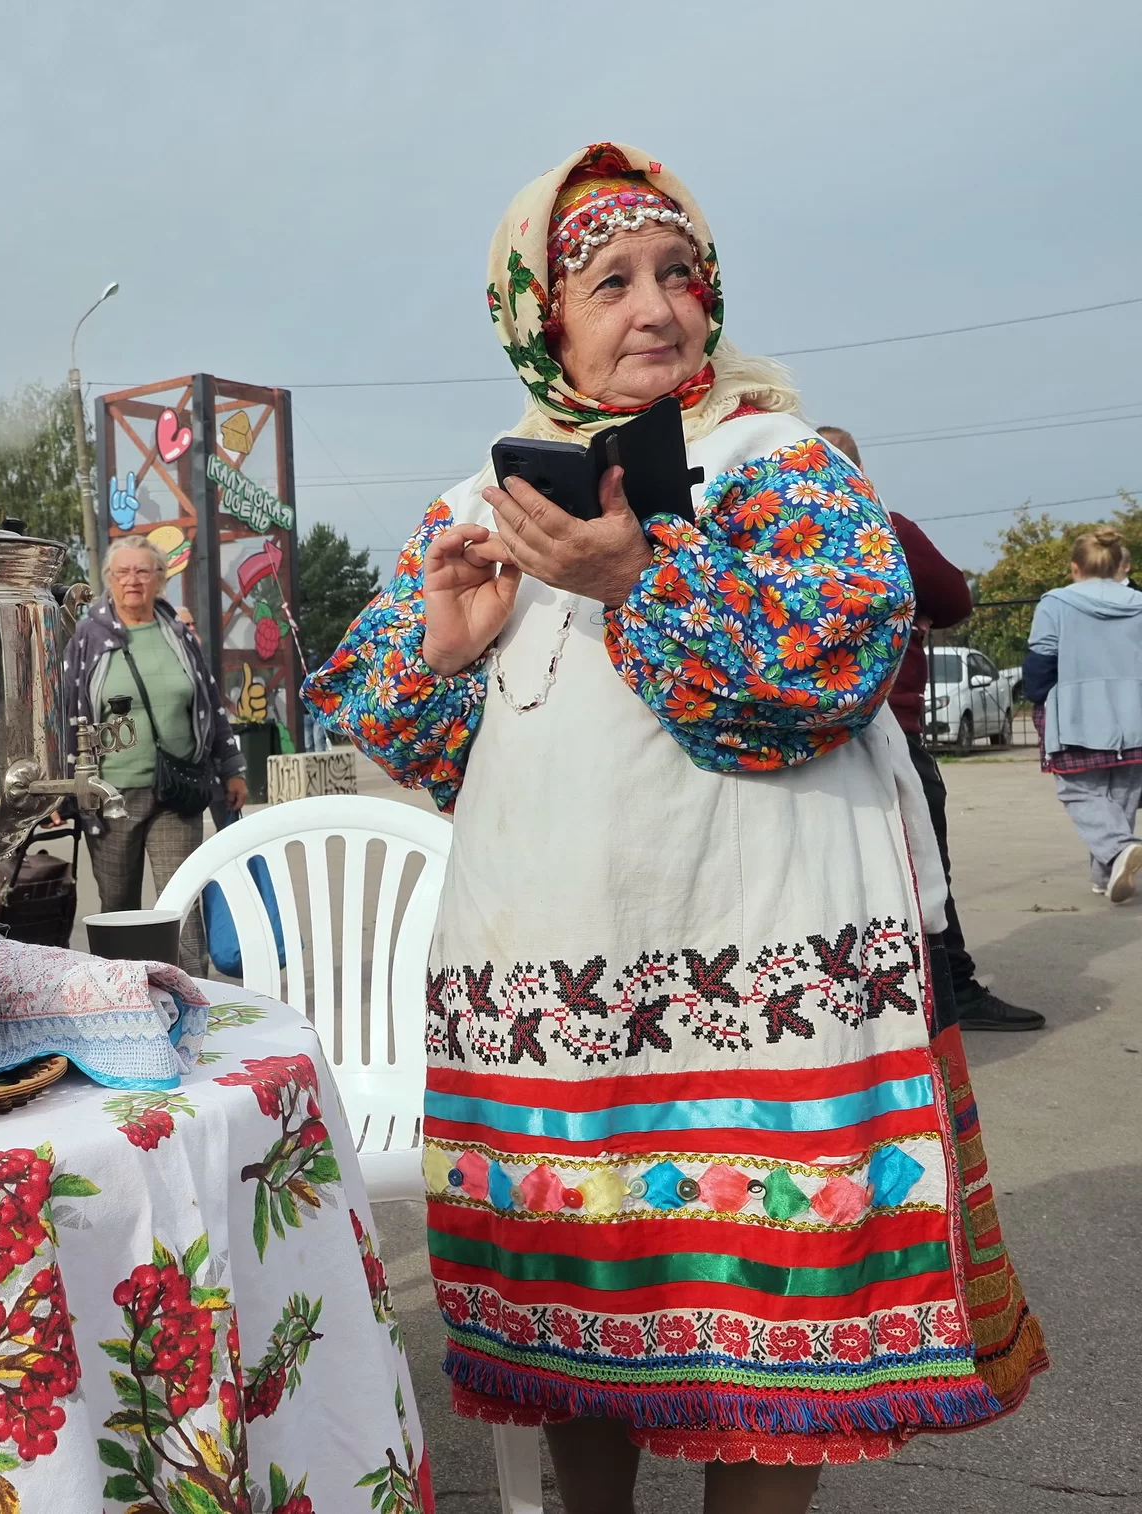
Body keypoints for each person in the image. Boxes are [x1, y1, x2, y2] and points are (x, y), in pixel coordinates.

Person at [305, 143, 1042, 1512]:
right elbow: (405, 735)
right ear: (539, 316)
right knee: (581, 1308)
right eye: (611, 283)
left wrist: (641, 575)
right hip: (545, 977)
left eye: (680, 275)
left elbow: (837, 657)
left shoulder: (780, 462)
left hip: (761, 962)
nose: (657, 308)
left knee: (762, 1324)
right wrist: (448, 646)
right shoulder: (482, 505)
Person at [817, 426, 1044, 1032]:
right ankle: (952, 989)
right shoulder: (884, 526)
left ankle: (859, 1000)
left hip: (801, 733)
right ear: (859, 473)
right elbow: (956, 599)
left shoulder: (771, 533)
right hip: (889, 721)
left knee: (834, 866)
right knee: (923, 863)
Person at [61, 538, 246, 976]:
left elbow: (209, 703)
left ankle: (193, 993)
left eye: (143, 571)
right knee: (118, 907)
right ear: (109, 579)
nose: (133, 581)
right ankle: (121, 997)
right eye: (122, 572)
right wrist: (64, 788)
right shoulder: (89, 636)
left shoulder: (176, 633)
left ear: (160, 579)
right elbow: (67, 710)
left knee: (181, 902)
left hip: (178, 790)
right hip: (110, 796)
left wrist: (232, 768)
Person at [1022, 525, 1142, 900]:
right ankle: (1106, 876)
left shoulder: (1056, 604)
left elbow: (1042, 662)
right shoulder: (1139, 603)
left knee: (1078, 792)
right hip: (1135, 715)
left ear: (1075, 567)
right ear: (1118, 565)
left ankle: (1120, 850)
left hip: (1077, 716)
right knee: (1122, 797)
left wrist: (1038, 695)